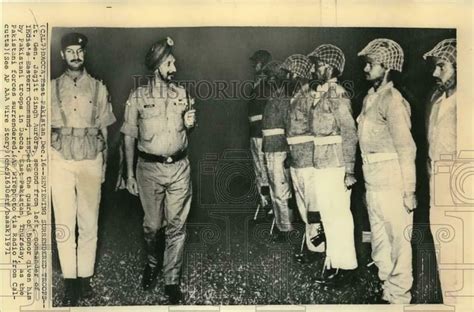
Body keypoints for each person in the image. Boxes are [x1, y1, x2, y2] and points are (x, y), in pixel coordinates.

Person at [120, 37, 196, 304]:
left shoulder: (182, 94)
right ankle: (153, 262)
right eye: (169, 62)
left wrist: (189, 123)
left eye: (173, 61)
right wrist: (129, 174)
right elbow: (128, 136)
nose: (174, 66)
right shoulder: (138, 97)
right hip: (148, 170)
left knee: (177, 226)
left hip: (179, 168)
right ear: (157, 67)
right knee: (153, 226)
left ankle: (171, 280)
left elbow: (186, 128)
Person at [51, 32, 116, 305]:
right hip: (60, 159)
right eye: (70, 51)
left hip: (91, 158)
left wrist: (103, 165)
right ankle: (70, 283)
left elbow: (104, 131)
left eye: (79, 51)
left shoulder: (99, 88)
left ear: (84, 54)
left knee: (89, 221)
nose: (75, 55)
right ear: (62, 55)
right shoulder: (49, 88)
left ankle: (85, 279)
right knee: (64, 222)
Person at [357, 38, 417, 303]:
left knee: (399, 243)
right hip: (373, 182)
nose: (365, 70)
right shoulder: (370, 98)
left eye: (370, 65)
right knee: (379, 240)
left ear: (386, 67)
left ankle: (399, 296)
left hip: (393, 182)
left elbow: (407, 148)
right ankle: (386, 289)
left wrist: (409, 190)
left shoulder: (393, 100)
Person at [307, 44, 358, 283]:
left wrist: (349, 169)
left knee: (339, 215)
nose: (315, 69)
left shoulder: (337, 94)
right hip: (322, 163)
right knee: (328, 215)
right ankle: (332, 261)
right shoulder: (322, 94)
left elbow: (349, 131)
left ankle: (345, 267)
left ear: (329, 67)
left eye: (318, 65)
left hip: (336, 163)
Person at [423, 38, 459, 304]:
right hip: (438, 178)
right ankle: (450, 301)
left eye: (442, 67)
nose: (435, 73)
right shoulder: (438, 101)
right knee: (443, 244)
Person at [281, 54, 324, 249]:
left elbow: (316, 128)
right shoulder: (296, 96)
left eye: (290, 74)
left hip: (308, 158)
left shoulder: (311, 94)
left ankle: (317, 247)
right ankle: (311, 245)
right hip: (297, 157)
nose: (286, 78)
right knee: (302, 205)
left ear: (299, 75)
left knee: (312, 205)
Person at [261, 60, 294, 234]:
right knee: (275, 189)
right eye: (268, 78)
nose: (269, 81)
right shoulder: (272, 98)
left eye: (273, 77)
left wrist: (289, 152)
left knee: (281, 190)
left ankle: (285, 228)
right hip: (269, 148)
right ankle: (282, 223)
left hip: (279, 148)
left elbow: (289, 127)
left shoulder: (284, 99)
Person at [248, 50, 272, 215]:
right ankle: (265, 202)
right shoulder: (257, 84)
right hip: (255, 133)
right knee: (261, 170)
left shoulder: (268, 85)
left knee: (264, 169)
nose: (253, 66)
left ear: (262, 64)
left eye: (255, 63)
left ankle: (269, 205)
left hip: (261, 134)